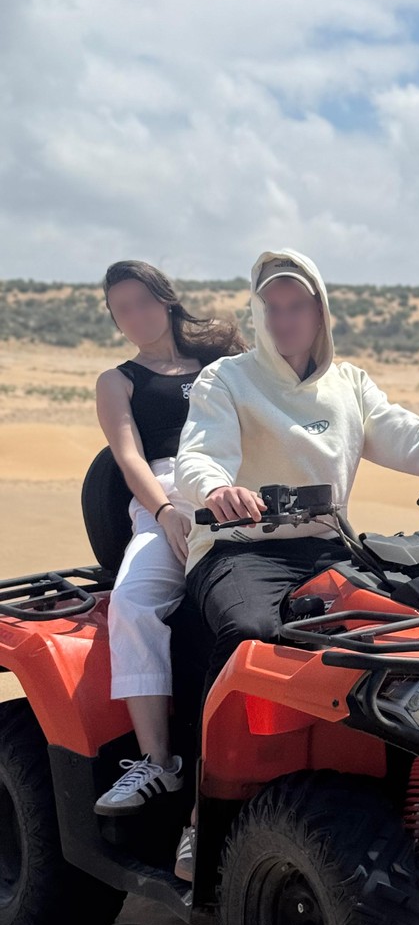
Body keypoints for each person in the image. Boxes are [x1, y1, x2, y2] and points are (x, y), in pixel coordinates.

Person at [173, 249, 419, 878]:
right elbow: (199, 454)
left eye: (296, 306)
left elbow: (411, 434)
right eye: (271, 307)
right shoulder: (226, 380)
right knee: (251, 634)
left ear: (320, 311)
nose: (284, 319)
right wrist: (217, 490)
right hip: (240, 548)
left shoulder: (349, 383)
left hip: (327, 546)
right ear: (257, 311)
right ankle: (200, 812)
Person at [93, 261, 246, 816]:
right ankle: (158, 761)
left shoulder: (220, 360)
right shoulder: (118, 381)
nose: (135, 316)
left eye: (142, 301)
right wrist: (162, 512)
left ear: (166, 299)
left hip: (235, 486)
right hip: (166, 497)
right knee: (132, 602)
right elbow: (128, 456)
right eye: (122, 310)